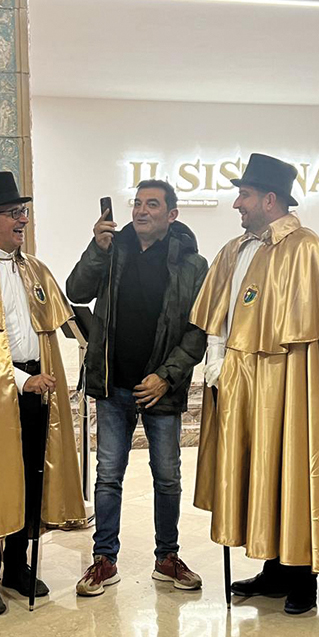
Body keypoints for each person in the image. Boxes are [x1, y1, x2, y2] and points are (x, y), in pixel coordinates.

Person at [191, 153, 319, 614]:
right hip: (240, 379)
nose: (237, 204)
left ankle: (302, 576)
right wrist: (215, 356)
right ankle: (273, 566)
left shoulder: (304, 247)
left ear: (270, 200)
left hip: (288, 381)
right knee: (258, 469)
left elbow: (313, 333)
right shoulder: (235, 249)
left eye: (244, 195)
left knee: (292, 466)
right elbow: (218, 312)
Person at [0, 171, 86, 615]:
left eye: (22, 211)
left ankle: (17, 565)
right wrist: (21, 379)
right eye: (12, 213)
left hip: (36, 384)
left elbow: (50, 329)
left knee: (30, 476)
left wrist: (40, 377)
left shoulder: (34, 269)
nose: (22, 220)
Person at [67, 179, 209, 596]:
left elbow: (198, 331)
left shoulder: (192, 264)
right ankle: (104, 560)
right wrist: (97, 249)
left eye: (153, 204)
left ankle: (167, 558)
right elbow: (75, 291)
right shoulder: (113, 251)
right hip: (114, 385)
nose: (141, 211)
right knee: (108, 475)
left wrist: (166, 376)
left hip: (161, 388)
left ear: (172, 214)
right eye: (138, 203)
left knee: (167, 477)